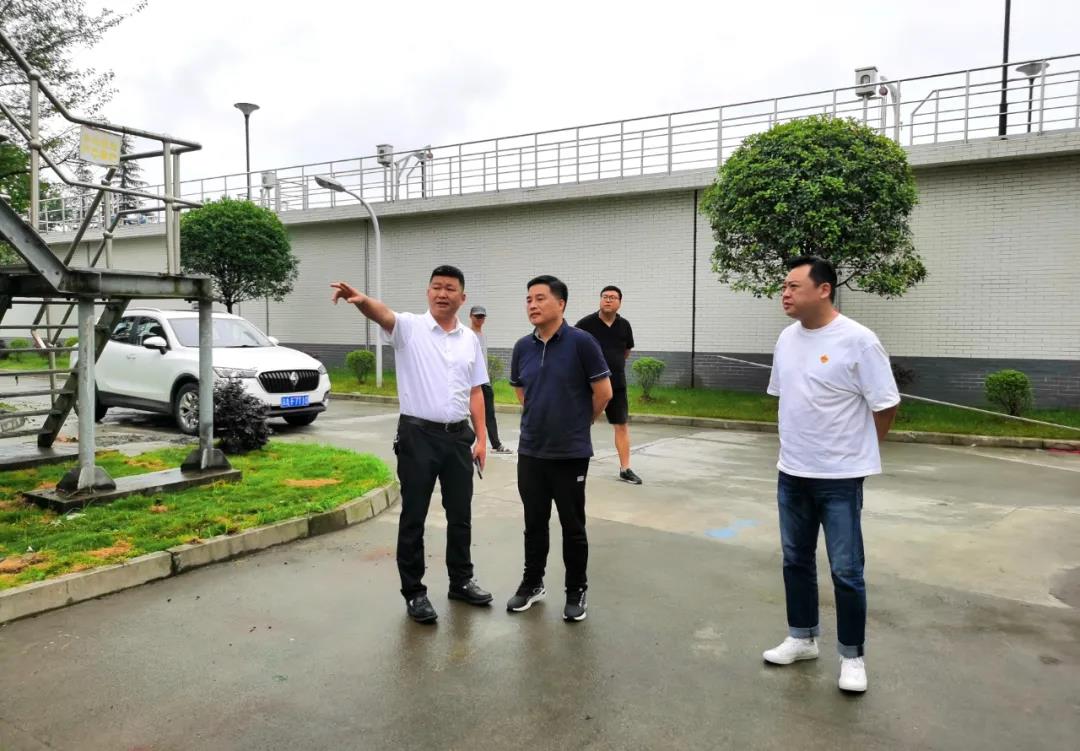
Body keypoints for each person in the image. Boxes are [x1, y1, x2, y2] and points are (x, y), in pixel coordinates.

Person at [761, 256, 899, 693]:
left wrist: (860, 453)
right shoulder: (786, 338)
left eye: (793, 286)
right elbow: (788, 397)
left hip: (840, 478)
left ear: (824, 289)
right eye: (784, 286)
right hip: (792, 471)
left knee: (846, 570)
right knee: (795, 560)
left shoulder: (859, 340)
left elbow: (886, 404)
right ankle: (802, 637)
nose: (785, 293)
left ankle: (852, 656)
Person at [330, 266, 493, 624]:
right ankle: (414, 592)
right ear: (428, 292)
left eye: (450, 288)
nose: (442, 293)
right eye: (436, 287)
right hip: (418, 437)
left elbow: (476, 391)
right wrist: (361, 300)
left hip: (458, 438)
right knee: (414, 516)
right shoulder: (409, 328)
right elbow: (383, 314)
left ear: (462, 297)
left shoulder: (469, 339)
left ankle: (461, 581)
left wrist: (482, 438)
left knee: (460, 515)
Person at [505, 275, 612, 622]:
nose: (532, 305)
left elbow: (604, 393)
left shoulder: (582, 343)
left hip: (570, 454)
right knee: (534, 523)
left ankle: (576, 589)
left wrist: (580, 422)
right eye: (528, 299)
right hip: (531, 451)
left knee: (572, 525)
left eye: (540, 298)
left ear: (561, 303)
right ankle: (532, 584)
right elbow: (521, 392)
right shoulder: (522, 347)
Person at [576, 285, 641, 484]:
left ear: (620, 302)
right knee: (582, 423)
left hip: (617, 383)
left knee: (621, 425)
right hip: (590, 385)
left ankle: (625, 468)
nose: (608, 300)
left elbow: (626, 351)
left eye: (613, 297)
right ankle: (574, 465)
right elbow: (573, 349)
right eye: (605, 296)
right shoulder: (585, 324)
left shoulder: (624, 325)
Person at [468, 305, 512, 454]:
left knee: (489, 414)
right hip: (471, 383)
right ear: (471, 317)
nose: (479, 319)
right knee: (465, 413)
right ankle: (463, 443)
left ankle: (496, 444)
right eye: (477, 316)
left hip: (484, 382)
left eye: (482, 316)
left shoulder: (483, 336)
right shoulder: (468, 335)